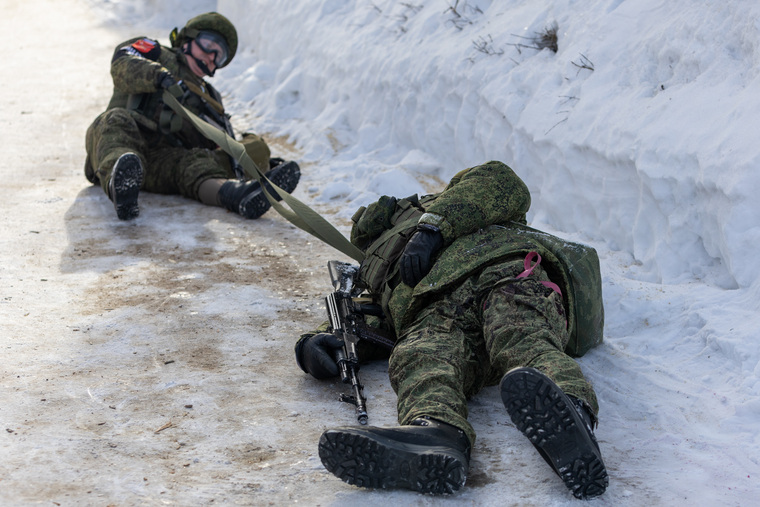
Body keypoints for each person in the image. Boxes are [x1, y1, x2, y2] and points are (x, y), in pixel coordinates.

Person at [294, 161, 609, 499]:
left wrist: (433, 228)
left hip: (499, 271)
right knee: (418, 354)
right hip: (435, 313)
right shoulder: (376, 274)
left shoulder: (446, 202)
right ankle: (436, 432)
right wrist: (319, 342)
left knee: (519, 334)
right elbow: (367, 320)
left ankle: (572, 417)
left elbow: (501, 180)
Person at [84, 12, 300, 220]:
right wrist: (159, 77)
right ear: (188, 38)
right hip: (119, 143)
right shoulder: (156, 53)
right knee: (114, 120)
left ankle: (235, 195)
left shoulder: (210, 98)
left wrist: (250, 160)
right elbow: (122, 62)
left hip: (163, 162)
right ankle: (120, 185)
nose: (211, 57)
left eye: (219, 55)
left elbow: (216, 143)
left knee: (192, 163)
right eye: (208, 45)